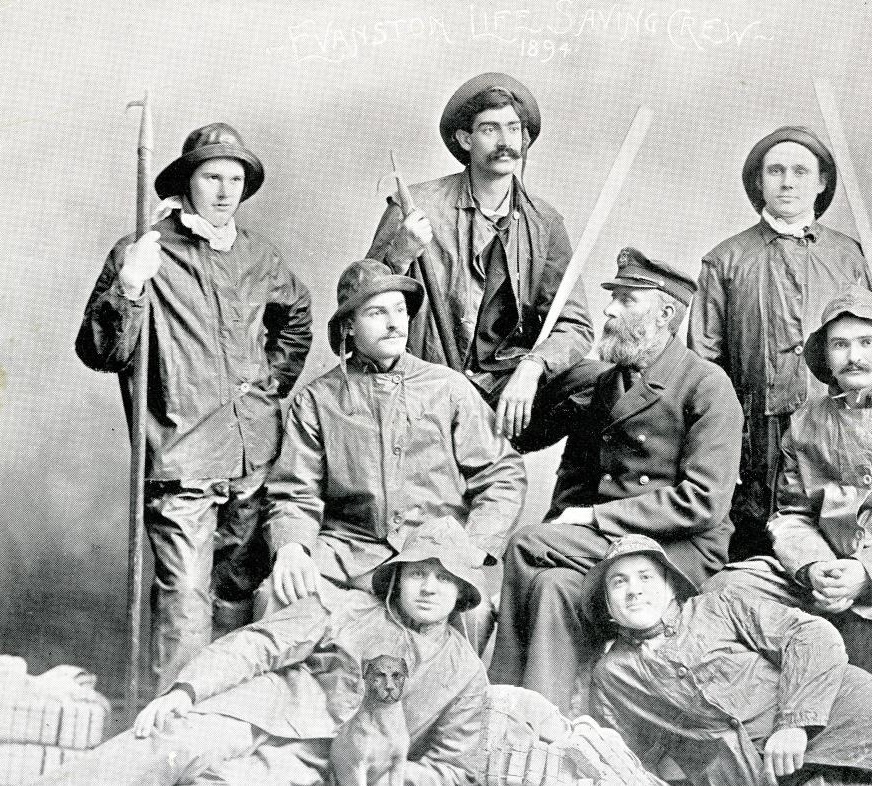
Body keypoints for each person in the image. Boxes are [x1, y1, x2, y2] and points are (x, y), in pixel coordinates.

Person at [75, 123, 312, 693]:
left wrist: (267, 389)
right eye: (213, 177)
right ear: (188, 181)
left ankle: (221, 723)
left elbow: (297, 316)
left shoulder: (257, 254)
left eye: (236, 179)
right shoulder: (145, 248)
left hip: (255, 456)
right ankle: (171, 730)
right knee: (185, 597)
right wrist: (129, 286)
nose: (226, 190)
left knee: (236, 594)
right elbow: (101, 351)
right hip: (181, 456)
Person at [704, 285, 872, 734]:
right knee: (726, 590)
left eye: (866, 342)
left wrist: (866, 570)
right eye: (840, 344)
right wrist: (814, 566)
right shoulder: (805, 422)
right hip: (826, 564)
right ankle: (768, 742)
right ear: (826, 358)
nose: (854, 356)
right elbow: (792, 514)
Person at [32, 518, 490, 786]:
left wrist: (399, 775)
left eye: (445, 578)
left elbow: (456, 770)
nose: (430, 587)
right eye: (418, 574)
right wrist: (185, 692)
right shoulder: (347, 605)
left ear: (462, 591)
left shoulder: (465, 675)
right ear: (397, 577)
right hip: (257, 710)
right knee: (158, 746)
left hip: (316, 763)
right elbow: (258, 644)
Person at [489, 248, 742, 714]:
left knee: (525, 545)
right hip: (613, 541)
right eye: (612, 299)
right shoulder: (607, 383)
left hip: (679, 548)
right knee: (552, 587)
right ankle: (545, 724)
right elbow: (576, 477)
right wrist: (562, 532)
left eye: (626, 301)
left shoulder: (707, 385)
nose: (608, 311)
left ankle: (500, 704)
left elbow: (703, 502)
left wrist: (590, 519)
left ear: (666, 314)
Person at [585, 535, 872, 786]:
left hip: (833, 711)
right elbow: (626, 756)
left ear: (670, 586)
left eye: (646, 576)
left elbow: (811, 633)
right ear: (607, 606)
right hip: (762, 768)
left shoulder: (717, 607)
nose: (635, 590)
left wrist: (795, 723)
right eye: (619, 583)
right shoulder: (614, 676)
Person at [688, 125, 872, 561]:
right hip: (754, 437)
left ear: (821, 182)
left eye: (801, 172)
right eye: (776, 171)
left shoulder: (849, 256)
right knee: (754, 545)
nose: (787, 182)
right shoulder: (726, 259)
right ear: (758, 181)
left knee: (834, 542)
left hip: (836, 427)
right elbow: (702, 365)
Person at [260, 259, 526, 649]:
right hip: (348, 548)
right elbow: (295, 491)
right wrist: (291, 547)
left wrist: (470, 548)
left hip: (433, 553)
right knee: (276, 595)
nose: (394, 323)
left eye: (400, 310)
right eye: (377, 312)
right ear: (348, 326)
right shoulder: (317, 400)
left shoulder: (447, 388)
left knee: (474, 612)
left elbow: (502, 475)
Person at [366, 72, 596, 439]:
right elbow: (361, 311)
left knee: (606, 385)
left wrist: (534, 366)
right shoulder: (415, 208)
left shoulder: (544, 222)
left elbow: (576, 325)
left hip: (508, 388)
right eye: (490, 129)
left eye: (514, 128)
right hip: (427, 382)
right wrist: (399, 256)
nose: (506, 142)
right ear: (465, 139)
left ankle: (580, 493)